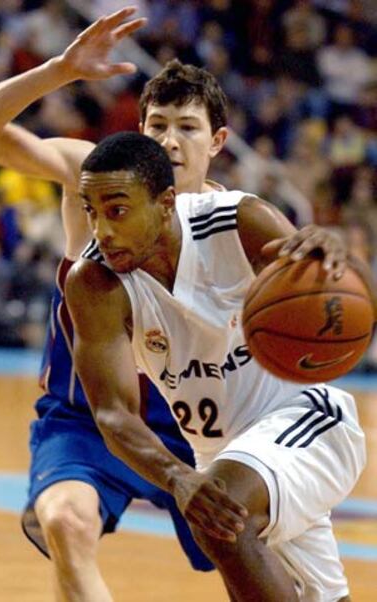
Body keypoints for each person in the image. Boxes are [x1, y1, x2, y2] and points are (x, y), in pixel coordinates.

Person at [0, 7, 234, 601]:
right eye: (157, 124)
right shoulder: (90, 177)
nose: (169, 140)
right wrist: (58, 71)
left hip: (200, 429)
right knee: (67, 521)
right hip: (86, 418)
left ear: (216, 141)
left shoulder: (240, 221)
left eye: (186, 127)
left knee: (260, 557)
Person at [65, 129, 375, 601]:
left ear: (165, 202)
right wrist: (177, 476)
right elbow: (113, 414)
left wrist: (342, 258)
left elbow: (343, 294)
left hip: (305, 420)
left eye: (118, 210)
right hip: (220, 454)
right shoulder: (95, 284)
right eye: (92, 212)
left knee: (221, 514)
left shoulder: (236, 221)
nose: (102, 230)